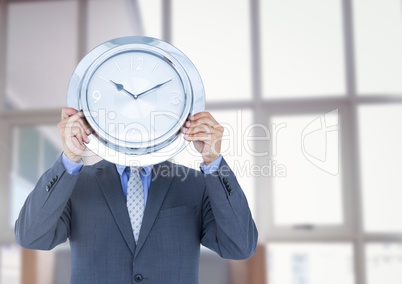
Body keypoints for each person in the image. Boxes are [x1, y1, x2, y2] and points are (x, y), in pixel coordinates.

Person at [15, 107, 258, 284]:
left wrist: (213, 161)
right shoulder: (77, 182)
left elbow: (240, 246)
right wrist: (69, 158)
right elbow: (31, 236)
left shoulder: (195, 183)